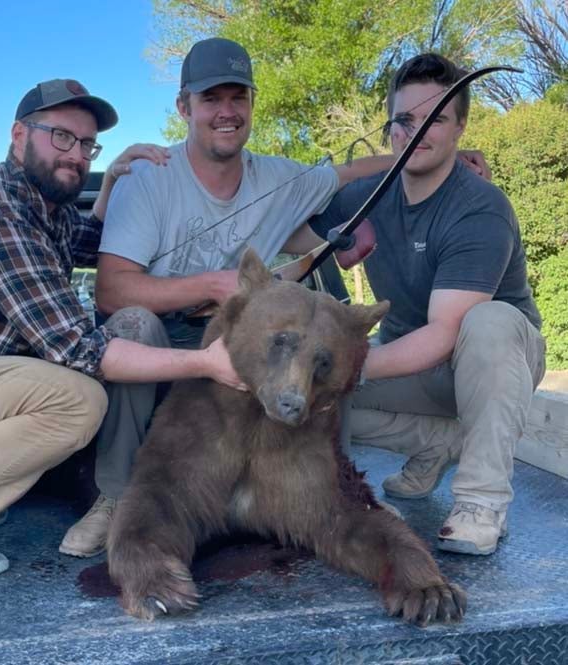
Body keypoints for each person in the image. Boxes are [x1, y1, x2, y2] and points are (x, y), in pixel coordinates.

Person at [59, 38, 487, 558]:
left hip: (247, 342)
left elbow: (352, 173)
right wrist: (213, 285)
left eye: (237, 98)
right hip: (167, 341)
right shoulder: (149, 175)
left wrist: (429, 151)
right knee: (129, 322)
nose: (226, 111)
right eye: (210, 98)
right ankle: (117, 498)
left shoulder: (279, 177)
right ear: (183, 107)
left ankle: (341, 489)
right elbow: (110, 290)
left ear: (252, 105)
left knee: (325, 337)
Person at [0, 78, 246, 580]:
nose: (76, 154)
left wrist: (109, 187)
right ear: (19, 135)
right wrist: (205, 362)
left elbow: (93, 245)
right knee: (78, 401)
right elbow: (79, 348)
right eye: (61, 137)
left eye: (86, 145)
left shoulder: (44, 210)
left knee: (66, 383)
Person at [287, 53, 545, 556]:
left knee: (487, 321)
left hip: (489, 363)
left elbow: (446, 332)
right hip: (412, 366)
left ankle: (481, 501)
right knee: (305, 398)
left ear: (461, 126)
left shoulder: (480, 206)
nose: (417, 131)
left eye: (436, 119)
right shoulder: (366, 194)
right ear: (389, 127)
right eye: (405, 120)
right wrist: (338, 230)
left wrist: (347, 363)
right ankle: (435, 443)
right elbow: (292, 234)